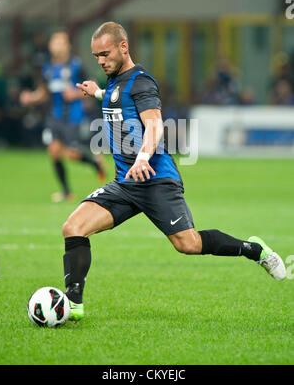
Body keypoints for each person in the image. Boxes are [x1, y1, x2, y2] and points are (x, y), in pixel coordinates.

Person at [61, 22, 286, 322]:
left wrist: (142, 158)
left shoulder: (141, 81)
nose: (100, 61)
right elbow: (117, 101)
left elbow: (154, 125)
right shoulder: (114, 81)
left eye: (105, 53)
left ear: (123, 47)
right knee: (73, 228)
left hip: (156, 180)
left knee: (188, 244)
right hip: (125, 183)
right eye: (96, 56)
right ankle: (73, 304)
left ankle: (253, 249)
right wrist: (98, 92)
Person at [20, 30, 106, 202]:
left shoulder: (76, 66)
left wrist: (75, 94)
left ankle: (95, 163)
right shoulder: (48, 68)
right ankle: (67, 192)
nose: (56, 45)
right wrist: (31, 97)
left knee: (71, 154)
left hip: (73, 116)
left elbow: (92, 89)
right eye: (54, 42)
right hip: (54, 116)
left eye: (60, 42)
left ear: (67, 46)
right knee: (54, 151)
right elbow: (44, 92)